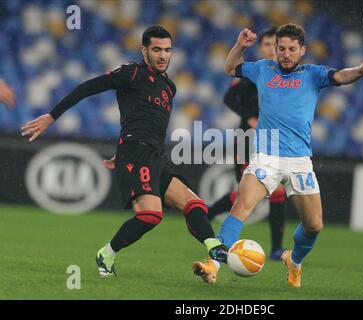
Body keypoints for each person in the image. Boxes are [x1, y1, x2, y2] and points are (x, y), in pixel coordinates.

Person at [21, 25, 227, 277]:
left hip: (155, 154)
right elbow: (88, 87)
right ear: (144, 50)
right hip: (136, 151)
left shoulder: (169, 87)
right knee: (151, 215)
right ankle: (106, 254)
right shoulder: (131, 73)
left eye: (167, 50)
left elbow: (146, 120)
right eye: (156, 49)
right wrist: (52, 117)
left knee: (195, 204)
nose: (163, 55)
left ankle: (215, 248)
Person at [193, 23, 363, 286]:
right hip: (266, 156)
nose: (286, 54)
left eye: (292, 49)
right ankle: (212, 265)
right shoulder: (262, 68)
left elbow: (340, 76)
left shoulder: (312, 74)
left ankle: (294, 262)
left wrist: (360, 71)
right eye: (281, 48)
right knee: (241, 206)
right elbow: (228, 68)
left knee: (314, 225)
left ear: (302, 50)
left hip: (299, 160)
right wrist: (239, 47)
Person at [207, 27, 288, 260]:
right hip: (248, 140)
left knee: (277, 192)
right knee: (246, 192)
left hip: (274, 141)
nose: (271, 49)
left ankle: (275, 248)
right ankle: (211, 219)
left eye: (275, 45)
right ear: (261, 48)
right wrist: (250, 117)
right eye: (267, 45)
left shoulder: (286, 77)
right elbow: (229, 97)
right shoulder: (256, 73)